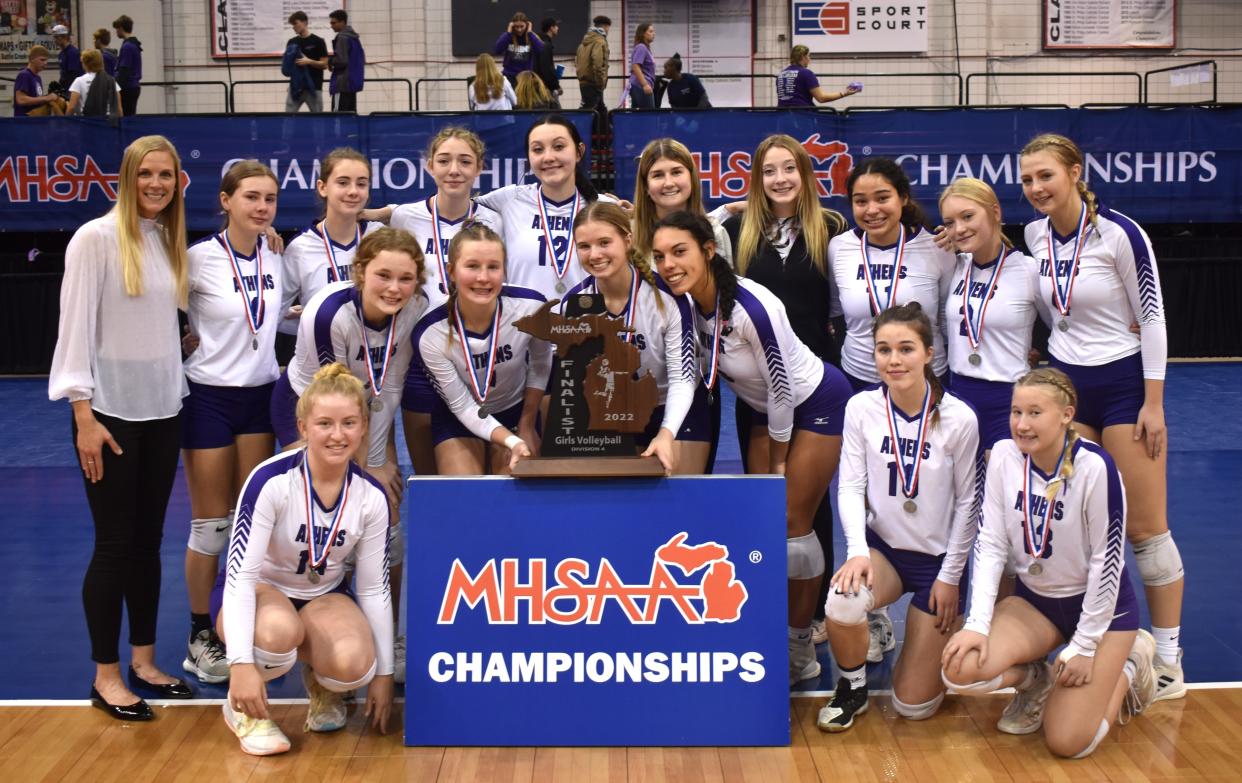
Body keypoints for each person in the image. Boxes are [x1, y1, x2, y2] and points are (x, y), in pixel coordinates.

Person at [653, 210, 852, 685]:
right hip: (764, 409)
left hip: (815, 402)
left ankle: (800, 645)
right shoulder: (680, 303)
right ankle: (771, 627)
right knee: (763, 521)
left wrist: (779, 461)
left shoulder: (750, 306)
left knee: (792, 521)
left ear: (707, 248)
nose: (669, 264)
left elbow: (783, 389)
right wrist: (666, 431)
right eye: (660, 256)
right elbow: (684, 374)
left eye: (680, 252)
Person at [1019, 133, 1184, 701]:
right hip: (1067, 387)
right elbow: (1048, 306)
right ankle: (1075, 645)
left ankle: (1167, 659)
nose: (1037, 189)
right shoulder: (1035, 235)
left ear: (1074, 172)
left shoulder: (1121, 234)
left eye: (1046, 176)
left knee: (1144, 528)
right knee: (1072, 526)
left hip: (1122, 386)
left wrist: (1153, 403)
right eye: (1027, 180)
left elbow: (1154, 319)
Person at [49, 135, 195, 720]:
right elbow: (75, 331)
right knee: (113, 546)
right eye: (146, 174)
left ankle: (143, 661)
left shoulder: (165, 240)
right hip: (108, 416)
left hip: (163, 411)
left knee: (147, 545)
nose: (156, 184)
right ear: (127, 178)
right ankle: (105, 675)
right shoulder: (95, 239)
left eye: (166, 175)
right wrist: (82, 414)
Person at [941, 368, 1158, 756]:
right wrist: (976, 624)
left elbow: (1106, 562)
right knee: (959, 669)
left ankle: (1130, 662)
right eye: (1015, 412)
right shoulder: (1005, 457)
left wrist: (1087, 645)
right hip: (1036, 604)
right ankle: (1035, 679)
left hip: (1103, 615)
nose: (1021, 425)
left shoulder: (1095, 467)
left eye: (1035, 413)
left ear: (1067, 414)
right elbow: (990, 544)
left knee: (1068, 742)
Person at [817, 302, 980, 732]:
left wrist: (950, 576)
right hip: (885, 552)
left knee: (913, 706)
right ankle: (852, 688)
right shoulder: (862, 408)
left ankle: (931, 643)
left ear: (929, 353)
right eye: (883, 350)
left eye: (906, 349)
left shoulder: (960, 418)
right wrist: (856, 552)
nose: (894, 360)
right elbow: (849, 486)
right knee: (841, 600)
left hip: (938, 564)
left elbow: (968, 504)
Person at [219, 363, 394, 755]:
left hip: (322, 593)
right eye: (325, 424)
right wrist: (240, 664)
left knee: (355, 664)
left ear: (364, 426)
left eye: (349, 423)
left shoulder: (370, 497)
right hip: (261, 588)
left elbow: (373, 587)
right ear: (303, 428)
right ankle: (242, 707)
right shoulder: (270, 481)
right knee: (278, 634)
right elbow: (240, 577)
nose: (338, 435)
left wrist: (383, 673)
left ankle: (322, 687)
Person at [725, 134, 849, 648]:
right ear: (756, 180)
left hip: (813, 381)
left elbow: (845, 301)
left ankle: (815, 612)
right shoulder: (736, 229)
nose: (780, 179)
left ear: (805, 174)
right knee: (765, 501)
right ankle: (768, 600)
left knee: (810, 502)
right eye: (769, 171)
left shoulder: (832, 228)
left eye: (789, 169)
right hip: (757, 391)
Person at [179, 161, 283, 686]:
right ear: (225, 201)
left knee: (251, 526)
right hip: (209, 399)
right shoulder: (197, 260)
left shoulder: (277, 256)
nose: (261, 207)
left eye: (269, 198)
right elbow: (163, 317)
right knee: (212, 525)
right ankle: (200, 635)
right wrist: (179, 343)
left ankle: (241, 624)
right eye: (250, 197)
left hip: (261, 397)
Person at [362, 128, 503, 483]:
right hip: (420, 363)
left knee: (487, 473)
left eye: (464, 161)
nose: (454, 169)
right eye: (444, 161)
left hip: (481, 361)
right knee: (430, 480)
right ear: (429, 167)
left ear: (479, 168)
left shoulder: (492, 220)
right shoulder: (404, 217)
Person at [567, 202, 701, 472]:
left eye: (605, 242)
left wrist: (666, 433)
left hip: (673, 405)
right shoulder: (574, 305)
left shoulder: (668, 298)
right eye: (584, 246)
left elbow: (682, 378)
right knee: (618, 502)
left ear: (627, 240)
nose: (595, 254)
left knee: (679, 500)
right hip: (613, 409)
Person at [410, 223, 550, 475]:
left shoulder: (532, 307)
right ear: (451, 271)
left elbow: (541, 364)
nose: (483, 278)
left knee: (511, 493)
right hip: (458, 418)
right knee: (463, 496)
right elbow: (462, 407)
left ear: (504, 271)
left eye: (493, 267)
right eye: (472, 266)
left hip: (515, 412)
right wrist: (512, 441)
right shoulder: (430, 333)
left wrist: (527, 424)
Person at [631, 137, 732, 473]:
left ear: (692, 178)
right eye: (658, 175)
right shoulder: (630, 237)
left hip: (695, 380)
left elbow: (724, 303)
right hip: (633, 385)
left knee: (688, 494)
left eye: (677, 171)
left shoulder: (715, 233)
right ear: (645, 186)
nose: (669, 182)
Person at [830, 157, 955, 390]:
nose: (872, 210)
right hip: (859, 377)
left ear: (903, 198)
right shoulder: (839, 247)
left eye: (882, 198)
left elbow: (948, 319)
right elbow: (835, 310)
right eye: (861, 201)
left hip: (925, 378)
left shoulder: (938, 247)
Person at [938, 178, 1043, 453]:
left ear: (995, 212)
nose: (959, 229)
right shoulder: (953, 265)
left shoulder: (1029, 270)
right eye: (949, 222)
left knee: (1004, 493)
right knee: (961, 494)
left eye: (968, 216)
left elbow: (1065, 322)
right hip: (956, 397)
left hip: (1007, 401)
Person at [474, 115, 606, 298]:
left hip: (586, 323)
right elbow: (460, 206)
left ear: (579, 151)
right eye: (537, 149)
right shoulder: (509, 199)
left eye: (559, 147)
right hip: (521, 323)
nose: (548, 157)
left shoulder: (605, 208)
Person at [281, 148, 384, 335]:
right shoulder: (300, 249)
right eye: (343, 183)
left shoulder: (382, 239)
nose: (353, 191)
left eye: (361, 184)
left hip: (375, 358)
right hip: (323, 361)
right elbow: (275, 317)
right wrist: (313, 319)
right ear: (323, 187)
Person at [776, 45, 860, 108]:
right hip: (801, 117)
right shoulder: (806, 73)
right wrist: (844, 93)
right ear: (803, 57)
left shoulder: (781, 75)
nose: (810, 59)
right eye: (809, 56)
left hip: (781, 117)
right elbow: (821, 98)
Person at [283, 11, 329, 114]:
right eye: (292, 25)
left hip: (314, 86)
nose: (294, 27)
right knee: (288, 119)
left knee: (318, 121)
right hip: (296, 87)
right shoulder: (292, 42)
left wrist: (309, 61)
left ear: (304, 22)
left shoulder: (318, 41)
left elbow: (324, 64)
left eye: (295, 23)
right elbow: (288, 67)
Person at [575, 15, 611, 130]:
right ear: (605, 26)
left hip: (584, 82)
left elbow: (578, 63)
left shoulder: (584, 42)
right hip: (594, 82)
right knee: (591, 112)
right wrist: (601, 82)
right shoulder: (600, 41)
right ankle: (580, 135)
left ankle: (601, 141)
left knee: (599, 110)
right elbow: (598, 63)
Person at [66, 49, 122, 118]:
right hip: (107, 122)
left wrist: (67, 122)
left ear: (85, 64)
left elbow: (71, 108)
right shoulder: (111, 81)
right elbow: (118, 109)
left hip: (87, 122)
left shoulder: (79, 81)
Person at [492, 12, 543, 86]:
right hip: (509, 76)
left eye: (522, 26)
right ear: (512, 26)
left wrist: (530, 33)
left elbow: (540, 50)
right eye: (516, 26)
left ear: (527, 25)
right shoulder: (508, 37)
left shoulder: (531, 37)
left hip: (526, 78)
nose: (519, 29)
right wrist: (508, 33)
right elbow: (497, 50)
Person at [328, 9, 364, 113]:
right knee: (351, 117)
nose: (331, 26)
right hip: (352, 83)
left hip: (342, 84)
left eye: (334, 23)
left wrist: (330, 62)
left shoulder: (342, 37)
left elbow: (341, 60)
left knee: (338, 117)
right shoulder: (354, 38)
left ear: (342, 22)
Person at [14, 45, 64, 116]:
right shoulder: (24, 75)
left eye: (46, 60)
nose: (45, 63)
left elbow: (36, 100)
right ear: (32, 59)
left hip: (35, 121)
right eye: (42, 60)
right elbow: (21, 99)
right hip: (24, 122)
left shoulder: (37, 78)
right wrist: (46, 98)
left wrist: (50, 99)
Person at [112, 15, 142, 116]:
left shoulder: (127, 47)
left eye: (116, 29)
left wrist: (116, 88)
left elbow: (124, 70)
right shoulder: (134, 45)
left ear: (121, 28)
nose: (116, 32)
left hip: (127, 88)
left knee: (126, 116)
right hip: (134, 87)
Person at [534, 17, 562, 108]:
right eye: (556, 26)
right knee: (554, 113)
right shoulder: (546, 45)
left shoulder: (538, 41)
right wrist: (556, 86)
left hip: (539, 85)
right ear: (551, 28)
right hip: (544, 87)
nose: (558, 28)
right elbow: (546, 68)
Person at [629, 23, 656, 109]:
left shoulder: (645, 48)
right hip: (641, 86)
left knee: (639, 116)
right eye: (651, 31)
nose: (653, 33)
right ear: (643, 33)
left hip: (639, 86)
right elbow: (635, 66)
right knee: (649, 116)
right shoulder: (641, 47)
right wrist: (645, 84)